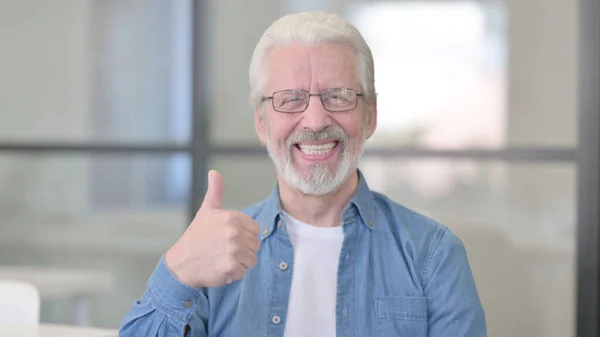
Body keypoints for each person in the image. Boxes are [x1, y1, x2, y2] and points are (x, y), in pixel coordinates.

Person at [119, 11, 486, 337]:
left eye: (338, 96)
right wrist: (179, 270)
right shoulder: (213, 254)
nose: (315, 120)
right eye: (291, 99)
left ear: (370, 115)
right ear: (261, 123)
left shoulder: (433, 257)